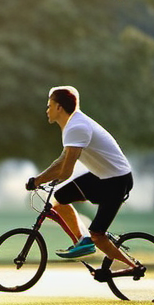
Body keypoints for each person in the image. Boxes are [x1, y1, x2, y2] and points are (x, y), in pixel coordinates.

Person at [26, 86, 138, 271]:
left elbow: (66, 171)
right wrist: (38, 180)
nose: (47, 110)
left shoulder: (76, 127)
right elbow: (62, 161)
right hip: (103, 176)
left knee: (97, 235)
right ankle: (82, 240)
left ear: (59, 107)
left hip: (116, 181)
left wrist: (43, 181)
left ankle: (133, 266)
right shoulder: (72, 125)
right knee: (60, 198)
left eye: (49, 105)